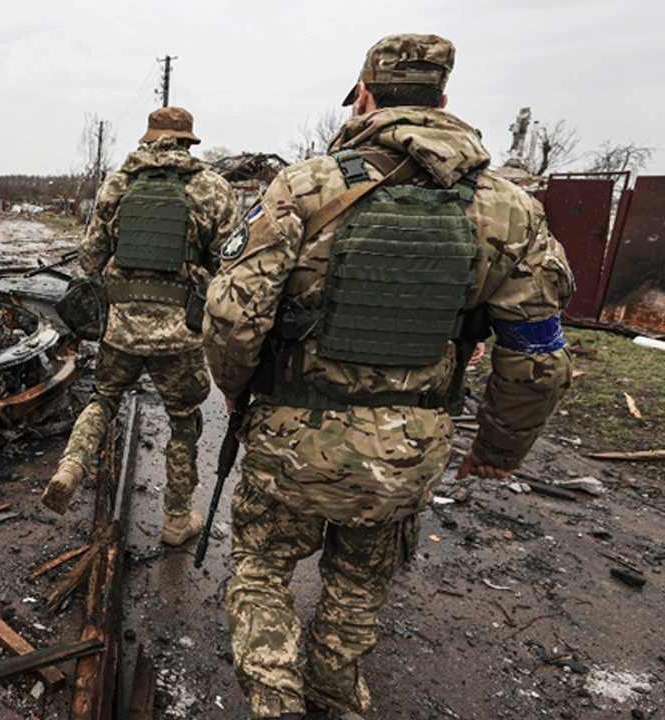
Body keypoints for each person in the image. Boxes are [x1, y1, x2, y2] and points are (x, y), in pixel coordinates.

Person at [201, 34, 574, 719]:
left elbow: (232, 314)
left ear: (365, 96)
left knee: (261, 571)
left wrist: (235, 385)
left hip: (291, 440)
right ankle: (337, 691)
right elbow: (537, 353)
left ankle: (274, 702)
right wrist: (498, 450)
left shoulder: (305, 186)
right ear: (444, 100)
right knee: (358, 584)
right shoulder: (508, 208)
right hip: (409, 449)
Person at [41, 106, 240, 546]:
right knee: (184, 420)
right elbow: (230, 264)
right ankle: (175, 519)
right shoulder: (211, 188)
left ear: (147, 141)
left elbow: (89, 259)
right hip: (181, 336)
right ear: (189, 142)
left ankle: (71, 465)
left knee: (103, 399)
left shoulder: (117, 184)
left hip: (121, 330)